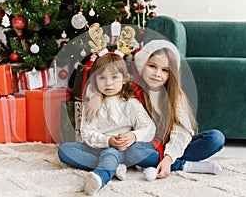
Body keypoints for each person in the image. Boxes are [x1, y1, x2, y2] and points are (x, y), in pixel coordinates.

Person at [84, 39, 225, 180]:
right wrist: (95, 96)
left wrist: (169, 159)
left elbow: (181, 130)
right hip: (143, 146)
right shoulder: (133, 86)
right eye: (152, 66)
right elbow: (108, 82)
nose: (157, 74)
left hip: (169, 147)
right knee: (134, 152)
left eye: (164, 70)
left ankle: (167, 162)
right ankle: (184, 165)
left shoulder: (174, 94)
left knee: (215, 138)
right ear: (142, 64)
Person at [58, 53, 156, 195]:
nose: (108, 83)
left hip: (123, 148)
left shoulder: (131, 104)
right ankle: (114, 164)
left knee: (117, 153)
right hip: (98, 147)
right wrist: (107, 140)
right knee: (65, 150)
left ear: (124, 79)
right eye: (102, 78)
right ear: (95, 81)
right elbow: (86, 132)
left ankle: (101, 176)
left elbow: (148, 127)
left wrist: (133, 136)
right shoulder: (93, 105)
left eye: (114, 77)